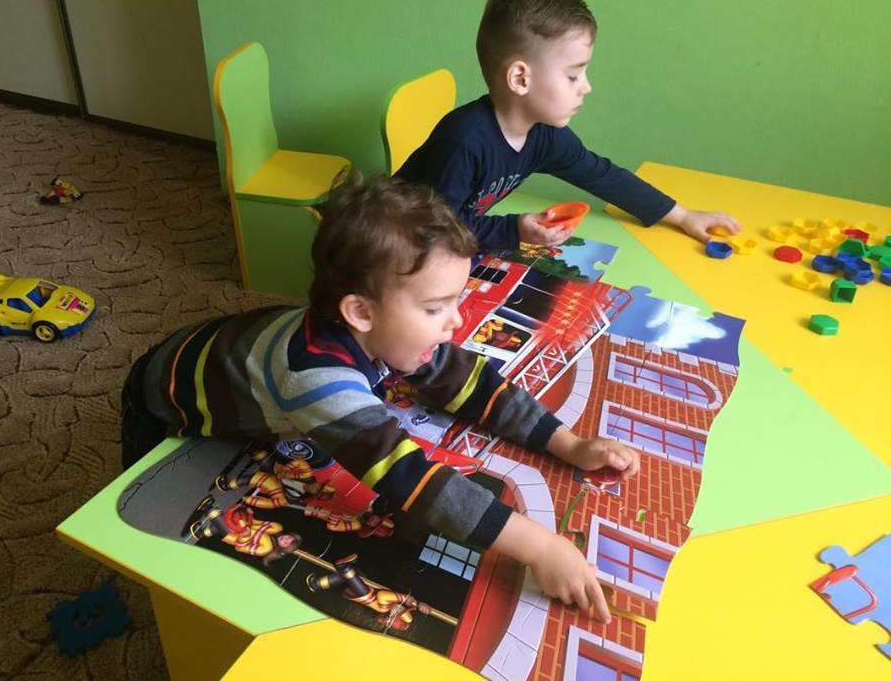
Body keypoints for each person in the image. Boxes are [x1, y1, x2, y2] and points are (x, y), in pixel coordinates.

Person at [120, 173, 640, 622]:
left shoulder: (392, 331)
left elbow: (470, 382)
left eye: (456, 300)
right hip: (164, 394)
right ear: (361, 313)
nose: (456, 321)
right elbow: (409, 478)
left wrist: (568, 444)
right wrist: (541, 547)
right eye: (436, 307)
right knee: (144, 523)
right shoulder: (315, 379)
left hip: (233, 347)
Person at [397, 0, 741, 253]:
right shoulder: (464, 141)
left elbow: (601, 175)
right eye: (573, 75)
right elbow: (435, 230)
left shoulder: (543, 136)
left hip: (437, 243)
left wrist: (682, 216)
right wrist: (514, 229)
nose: (586, 87)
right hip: (391, 242)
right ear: (520, 79)